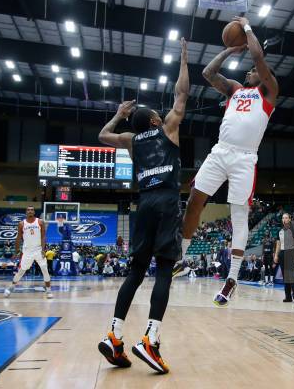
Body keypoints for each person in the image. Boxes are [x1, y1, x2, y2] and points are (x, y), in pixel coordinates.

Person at [96, 38, 189, 374]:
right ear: (154, 121)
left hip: (144, 205)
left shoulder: (131, 141)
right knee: (165, 269)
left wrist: (119, 115)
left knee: (135, 272)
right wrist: (183, 57)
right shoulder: (167, 129)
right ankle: (151, 338)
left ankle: (115, 334)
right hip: (165, 201)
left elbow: (103, 136)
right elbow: (181, 94)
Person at [180, 16, 279, 307]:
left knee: (239, 217)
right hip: (221, 151)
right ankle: (181, 259)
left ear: (264, 76)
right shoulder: (235, 89)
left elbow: (259, 57)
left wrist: (247, 28)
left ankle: (232, 279)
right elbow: (208, 72)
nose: (250, 71)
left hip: (245, 159)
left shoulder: (270, 91)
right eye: (248, 70)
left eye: (253, 71)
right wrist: (228, 50)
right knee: (194, 201)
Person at [4, 206, 53, 299]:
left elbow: (43, 237)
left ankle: (49, 290)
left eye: (32, 210)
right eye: (28, 210)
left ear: (34, 212)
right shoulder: (21, 224)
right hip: (27, 251)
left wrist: (43, 249)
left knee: (44, 269)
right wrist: (16, 251)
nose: (30, 211)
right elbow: (18, 238)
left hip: (38, 250)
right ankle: (11, 287)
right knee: (22, 270)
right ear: (26, 212)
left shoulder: (40, 222)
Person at [274, 213, 294, 304]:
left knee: (292, 276)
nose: (284, 219)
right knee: (286, 277)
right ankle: (288, 297)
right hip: (282, 254)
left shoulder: (293, 230)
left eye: (286, 218)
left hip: (291, 253)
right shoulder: (279, 231)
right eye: (283, 218)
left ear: (289, 219)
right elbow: (278, 244)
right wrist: (276, 255)